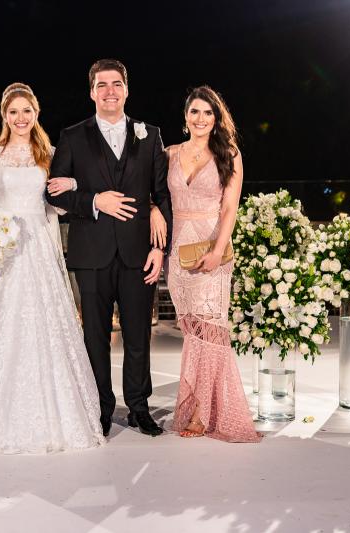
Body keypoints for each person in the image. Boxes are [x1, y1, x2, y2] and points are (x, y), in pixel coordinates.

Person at [0, 83, 105, 454]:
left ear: (36, 114)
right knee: (4, 322)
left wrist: (71, 185)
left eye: (27, 111)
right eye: (13, 112)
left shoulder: (49, 153)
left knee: (45, 321)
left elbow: (58, 203)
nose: (20, 118)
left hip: (38, 243)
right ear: (5, 116)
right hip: (6, 246)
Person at [46, 59, 172, 437]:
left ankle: (139, 408)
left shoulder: (150, 135)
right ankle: (99, 409)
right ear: (92, 92)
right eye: (102, 85)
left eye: (116, 84)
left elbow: (162, 195)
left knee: (138, 336)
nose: (110, 91)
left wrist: (159, 249)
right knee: (95, 339)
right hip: (91, 254)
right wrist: (94, 201)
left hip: (138, 253)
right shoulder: (72, 136)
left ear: (127, 90)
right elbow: (54, 193)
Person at [150, 86, 260, 442]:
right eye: (194, 112)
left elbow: (230, 208)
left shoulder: (229, 154)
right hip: (179, 251)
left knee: (211, 330)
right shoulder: (169, 154)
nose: (200, 118)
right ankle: (204, 405)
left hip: (213, 248)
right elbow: (152, 193)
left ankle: (200, 414)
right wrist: (153, 210)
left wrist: (218, 249)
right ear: (186, 117)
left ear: (216, 118)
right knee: (192, 330)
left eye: (207, 113)